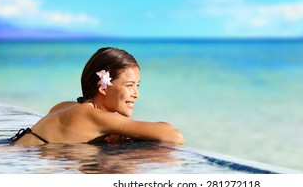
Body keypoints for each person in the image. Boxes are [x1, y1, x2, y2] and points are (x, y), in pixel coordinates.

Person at [10, 47, 184, 146]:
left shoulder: (64, 106)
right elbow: (175, 136)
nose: (136, 94)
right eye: (129, 85)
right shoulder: (99, 118)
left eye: (137, 86)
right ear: (103, 87)